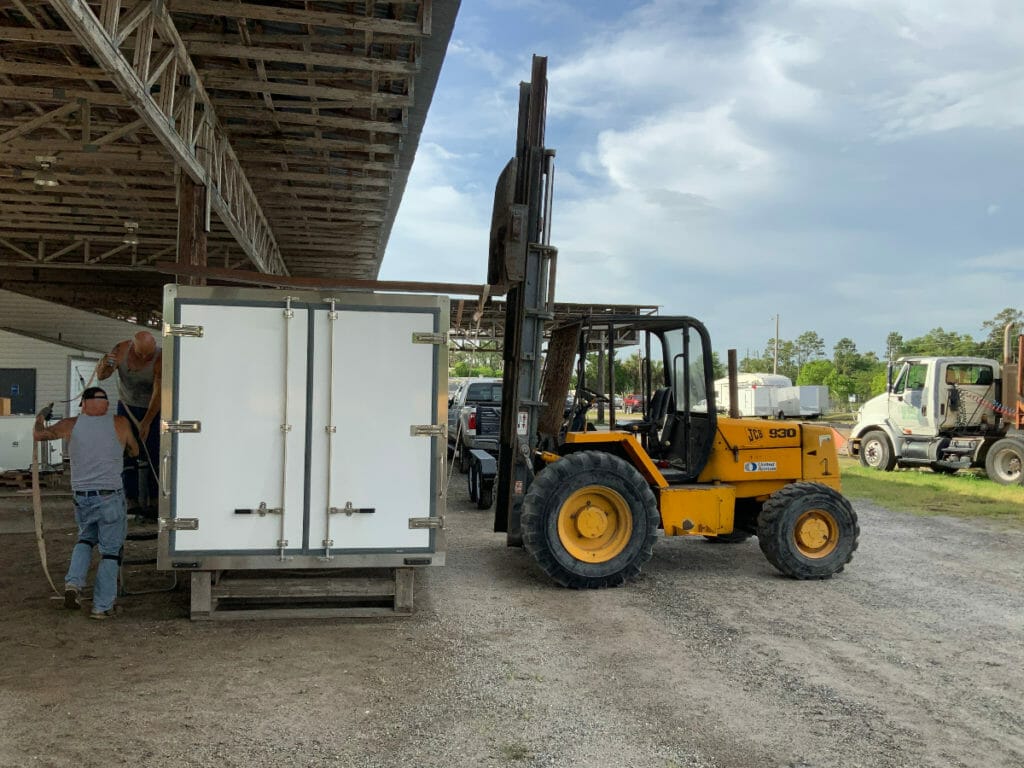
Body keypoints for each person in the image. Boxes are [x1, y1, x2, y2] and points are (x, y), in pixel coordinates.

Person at [33, 387, 139, 620]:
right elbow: (135, 450)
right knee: (111, 553)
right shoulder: (120, 422)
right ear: (103, 404)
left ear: (83, 404)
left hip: (82, 496)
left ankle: (73, 584)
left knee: (85, 538)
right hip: (110, 495)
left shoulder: (71, 424)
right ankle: (101, 606)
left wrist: (40, 417)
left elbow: (39, 435)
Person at [95, 330, 161, 515]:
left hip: (153, 408)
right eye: (141, 354)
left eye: (149, 354)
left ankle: (155, 500)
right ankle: (130, 498)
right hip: (127, 406)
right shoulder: (122, 350)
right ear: (133, 346)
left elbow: (159, 392)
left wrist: (147, 421)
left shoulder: (160, 357)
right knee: (128, 453)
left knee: (153, 453)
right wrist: (104, 366)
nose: (145, 358)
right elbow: (102, 376)